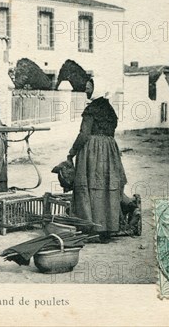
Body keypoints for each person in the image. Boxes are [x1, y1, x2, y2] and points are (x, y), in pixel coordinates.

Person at [66, 78, 127, 243]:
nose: (86, 90)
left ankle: (91, 227)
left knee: (90, 186)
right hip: (109, 149)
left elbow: (84, 134)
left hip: (93, 150)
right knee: (107, 186)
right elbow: (111, 132)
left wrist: (72, 152)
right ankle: (107, 228)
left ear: (96, 89)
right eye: (86, 88)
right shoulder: (110, 110)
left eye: (89, 88)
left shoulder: (91, 109)